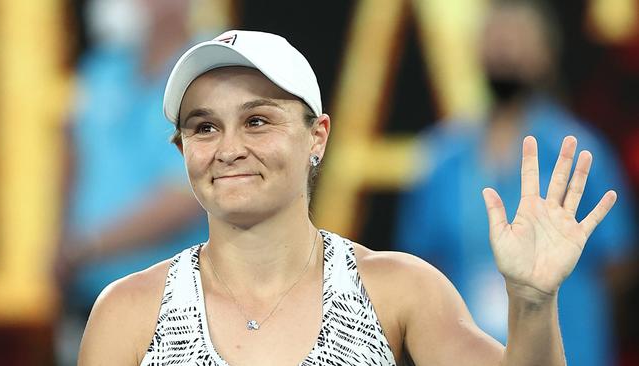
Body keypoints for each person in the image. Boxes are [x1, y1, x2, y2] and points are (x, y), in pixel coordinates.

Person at [77, 29, 617, 366]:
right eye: (204, 128)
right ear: (182, 147)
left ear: (318, 136)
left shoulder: (399, 290)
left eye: (258, 120)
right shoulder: (128, 313)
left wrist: (531, 298)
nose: (230, 149)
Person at [395, 1, 636, 365]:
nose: (505, 51)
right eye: (495, 38)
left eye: (518, 39)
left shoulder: (581, 152)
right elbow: (420, 261)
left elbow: (617, 263)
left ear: (547, 53)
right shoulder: (442, 156)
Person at [55, 0, 208, 363]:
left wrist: (85, 247)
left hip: (175, 307)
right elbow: (71, 160)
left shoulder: (212, 74)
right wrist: (58, 242)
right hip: (87, 296)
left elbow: (189, 194)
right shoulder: (100, 70)